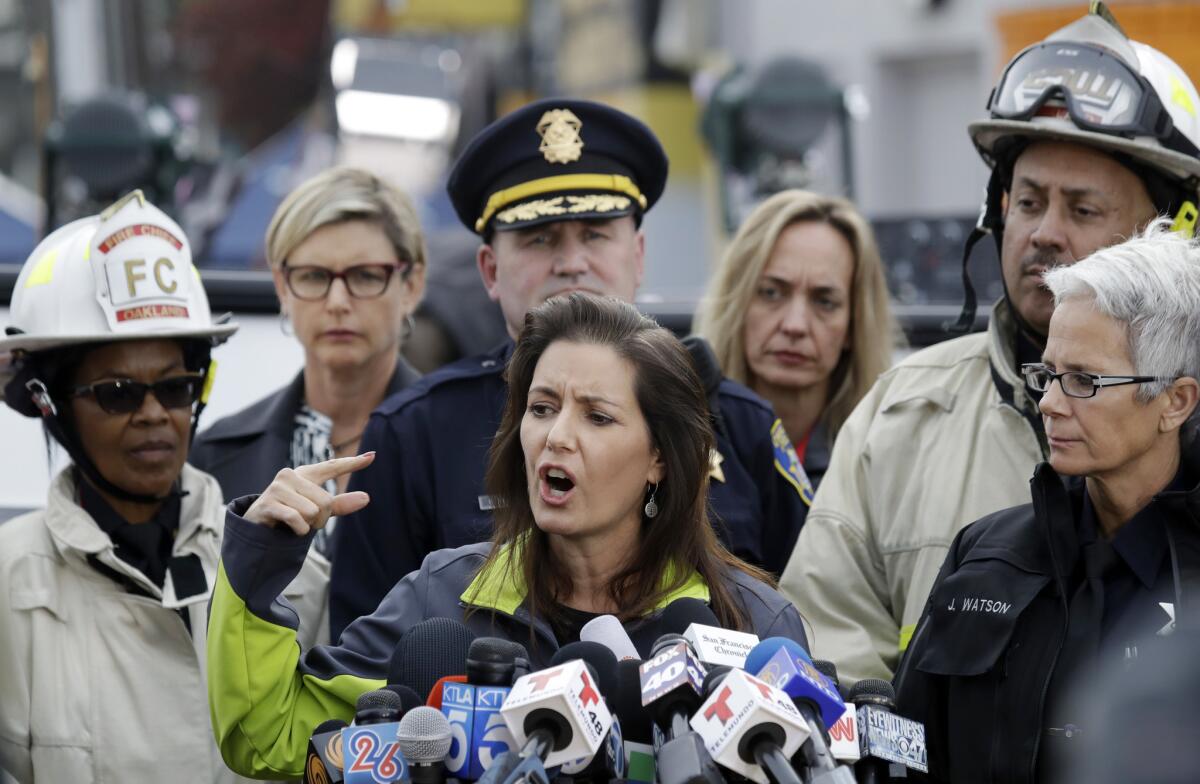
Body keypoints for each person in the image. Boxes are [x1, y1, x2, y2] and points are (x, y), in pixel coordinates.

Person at [206, 293, 809, 779]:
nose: (557, 437)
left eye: (596, 417)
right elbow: (272, 737)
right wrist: (260, 561)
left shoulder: (751, 624)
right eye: (542, 408)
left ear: (660, 458)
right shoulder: (440, 598)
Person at [779, 4, 1200, 684]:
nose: (1044, 234)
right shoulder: (902, 414)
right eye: (1027, 202)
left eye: (1083, 209)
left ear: (1171, 233)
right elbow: (819, 646)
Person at [328, 97, 813, 638]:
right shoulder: (414, 433)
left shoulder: (741, 425)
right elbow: (371, 674)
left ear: (640, 254)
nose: (572, 261)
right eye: (540, 238)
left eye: (596, 233)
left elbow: (802, 623)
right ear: (489, 269)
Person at [0, 192, 325, 782]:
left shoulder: (290, 574)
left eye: (176, 388)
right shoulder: (8, 584)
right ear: (49, 406)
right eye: (118, 393)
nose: (154, 414)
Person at [893, 223, 1200, 783]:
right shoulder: (982, 554)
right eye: (1047, 374)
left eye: (1083, 380)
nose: (1051, 403)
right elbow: (908, 754)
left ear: (1175, 402)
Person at [190, 167, 425, 558]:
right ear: (283, 287)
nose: (337, 302)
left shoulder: (467, 443)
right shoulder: (212, 456)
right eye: (314, 276)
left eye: (366, 276)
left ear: (411, 286)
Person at [694, 190, 897, 488]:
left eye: (824, 301)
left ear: (854, 325)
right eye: (771, 293)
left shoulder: (889, 459)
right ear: (737, 303)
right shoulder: (677, 442)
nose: (795, 325)